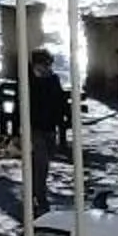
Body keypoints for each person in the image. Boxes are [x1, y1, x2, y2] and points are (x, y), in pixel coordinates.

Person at [23, 48, 73, 204]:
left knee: (41, 161)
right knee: (41, 161)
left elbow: (61, 101)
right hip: (34, 126)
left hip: (50, 127)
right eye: (44, 65)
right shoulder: (28, 81)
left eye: (48, 65)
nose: (47, 68)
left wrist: (66, 118)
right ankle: (40, 195)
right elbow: (21, 104)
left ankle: (32, 190)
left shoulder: (53, 79)